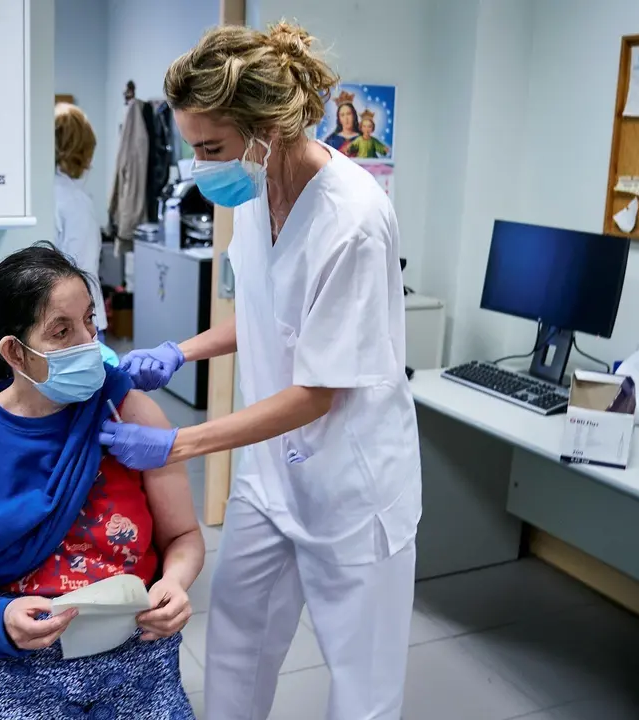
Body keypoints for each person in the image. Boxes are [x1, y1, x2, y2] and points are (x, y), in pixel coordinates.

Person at [99, 21, 421, 720]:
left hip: (352, 487)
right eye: (192, 147)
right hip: (272, 478)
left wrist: (178, 445)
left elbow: (318, 391)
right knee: (237, 647)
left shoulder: (353, 221)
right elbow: (270, 315)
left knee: (362, 689)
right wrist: (179, 352)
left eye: (209, 147)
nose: (198, 166)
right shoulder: (254, 196)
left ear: (266, 129)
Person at [0, 243, 204, 719]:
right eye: (61, 332)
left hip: (138, 652)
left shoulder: (127, 413)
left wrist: (174, 583)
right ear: (15, 352)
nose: (88, 343)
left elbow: (185, 537)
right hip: (18, 665)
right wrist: (1, 620)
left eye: (89, 321)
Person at [54, 103, 108, 342]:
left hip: (56, 324)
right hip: (82, 325)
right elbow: (81, 271)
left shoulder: (41, 194)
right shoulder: (75, 202)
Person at [322, 89, 360, 157]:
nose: (346, 118)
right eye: (342, 115)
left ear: (354, 116)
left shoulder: (363, 138)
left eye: (348, 114)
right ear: (339, 119)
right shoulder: (331, 140)